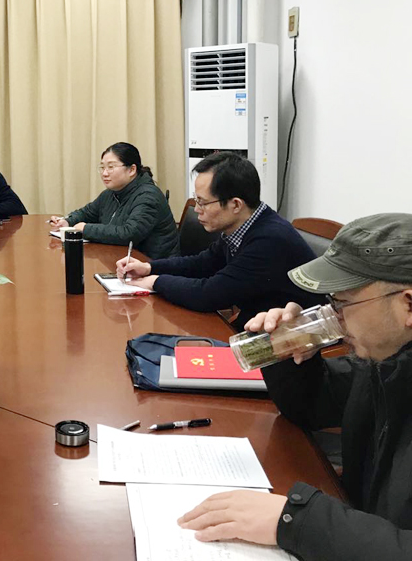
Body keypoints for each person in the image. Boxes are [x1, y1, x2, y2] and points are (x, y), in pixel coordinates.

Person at [178, 213, 412, 560]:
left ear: (408, 304)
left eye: (343, 302)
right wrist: (287, 354)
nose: (334, 315)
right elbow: (312, 407)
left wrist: (296, 521)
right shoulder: (384, 360)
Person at [117, 152, 323, 328]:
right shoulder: (244, 224)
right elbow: (202, 263)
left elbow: (208, 295)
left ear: (236, 205)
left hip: (288, 339)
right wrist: (149, 268)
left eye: (203, 202)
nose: (197, 209)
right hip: (255, 324)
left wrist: (155, 282)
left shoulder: (269, 240)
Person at [49, 142, 178, 259]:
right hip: (122, 259)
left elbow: (129, 234)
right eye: (102, 167)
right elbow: (87, 213)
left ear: (132, 170)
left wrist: (86, 229)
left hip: (154, 265)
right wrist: (68, 221)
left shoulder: (148, 196)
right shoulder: (111, 193)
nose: (104, 173)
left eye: (111, 167)